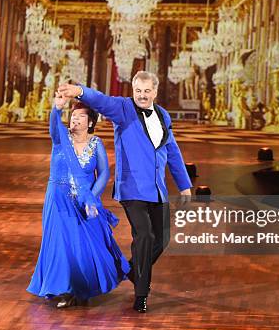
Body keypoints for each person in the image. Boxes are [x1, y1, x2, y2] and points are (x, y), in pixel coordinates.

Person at [58, 71, 192, 313]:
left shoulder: (163, 115)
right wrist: (79, 91)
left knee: (161, 239)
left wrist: (184, 184)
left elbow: (172, 150)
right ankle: (141, 294)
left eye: (146, 91)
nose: (142, 95)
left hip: (157, 190)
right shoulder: (123, 108)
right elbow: (101, 100)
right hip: (132, 189)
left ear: (155, 91)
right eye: (138, 91)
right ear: (133, 91)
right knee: (145, 236)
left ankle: (130, 270)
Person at [27, 94, 130, 308]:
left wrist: (91, 197)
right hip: (58, 199)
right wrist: (56, 109)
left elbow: (103, 173)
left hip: (84, 201)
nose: (74, 119)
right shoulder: (61, 138)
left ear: (90, 122)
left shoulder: (96, 143)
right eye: (72, 115)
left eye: (80, 116)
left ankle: (82, 287)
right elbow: (53, 126)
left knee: (82, 245)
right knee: (61, 243)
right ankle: (64, 289)